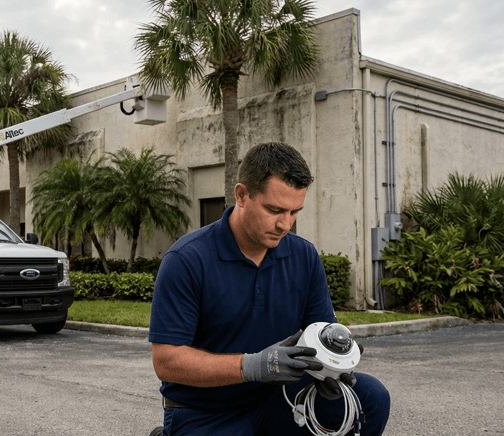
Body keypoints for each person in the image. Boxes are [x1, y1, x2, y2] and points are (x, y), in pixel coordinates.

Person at [148, 142, 390, 435]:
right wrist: (252, 366)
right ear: (241, 195)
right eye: (274, 210)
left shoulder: (304, 256)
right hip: (206, 411)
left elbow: (319, 334)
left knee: (371, 398)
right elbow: (167, 362)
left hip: (282, 399)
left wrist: (334, 365)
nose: (285, 224)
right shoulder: (187, 260)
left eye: (294, 212)